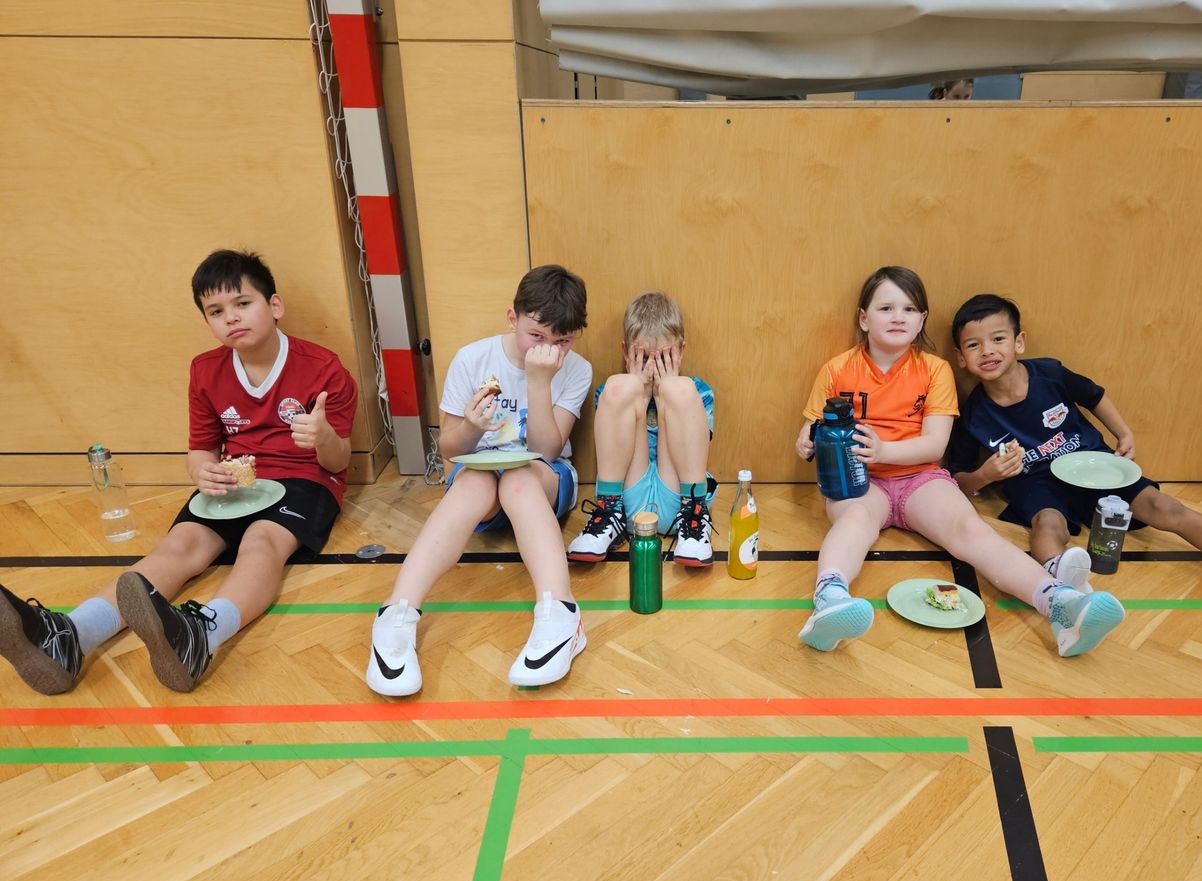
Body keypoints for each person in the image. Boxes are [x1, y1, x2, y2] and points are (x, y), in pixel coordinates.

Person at [0, 249, 357, 694]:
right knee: (179, 545)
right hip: (234, 483)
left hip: (306, 480)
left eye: (243, 303)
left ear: (275, 305)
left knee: (260, 543)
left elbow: (338, 461)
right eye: (216, 311)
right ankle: (70, 635)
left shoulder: (323, 368)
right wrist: (204, 472)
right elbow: (200, 451)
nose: (231, 317)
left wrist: (322, 436)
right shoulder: (205, 371)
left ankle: (202, 635)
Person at [793, 266, 1125, 657]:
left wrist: (884, 451)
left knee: (972, 530)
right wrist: (807, 441)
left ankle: (1062, 604)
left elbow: (934, 446)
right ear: (864, 319)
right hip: (858, 479)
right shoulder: (836, 369)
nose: (898, 317)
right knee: (854, 521)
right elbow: (811, 427)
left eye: (909, 309)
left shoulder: (935, 370)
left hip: (921, 478)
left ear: (922, 320)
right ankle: (829, 602)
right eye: (886, 308)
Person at [948, 293, 1202, 603]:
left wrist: (1124, 433)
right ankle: (1063, 592)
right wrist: (986, 474)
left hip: (1094, 465)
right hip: (1037, 483)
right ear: (962, 358)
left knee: (1165, 507)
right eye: (974, 345)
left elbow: (1094, 396)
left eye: (998, 339)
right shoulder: (973, 414)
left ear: (1019, 342)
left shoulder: (1050, 373)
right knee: (1047, 524)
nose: (987, 351)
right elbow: (960, 480)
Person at [366, 264, 593, 696]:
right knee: (475, 481)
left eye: (562, 341)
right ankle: (396, 613)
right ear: (512, 318)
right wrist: (471, 426)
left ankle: (562, 616)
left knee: (518, 479)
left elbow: (547, 450)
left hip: (544, 480)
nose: (548, 350)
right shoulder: (473, 359)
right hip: (480, 479)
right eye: (536, 336)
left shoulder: (575, 369)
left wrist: (539, 382)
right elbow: (451, 450)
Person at [566, 290, 715, 566]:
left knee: (679, 389)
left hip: (680, 500)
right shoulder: (610, 394)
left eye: (664, 357)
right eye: (644, 358)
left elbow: (696, 449)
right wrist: (642, 396)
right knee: (620, 386)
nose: (654, 368)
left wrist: (664, 394)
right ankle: (607, 512)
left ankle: (695, 517)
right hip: (626, 503)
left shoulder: (698, 392)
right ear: (626, 352)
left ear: (681, 351)